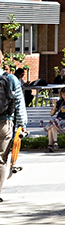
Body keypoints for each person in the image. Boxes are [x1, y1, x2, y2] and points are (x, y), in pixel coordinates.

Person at [0, 67, 26, 202]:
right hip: (5, 122)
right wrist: (22, 125)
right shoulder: (11, 79)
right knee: (1, 159)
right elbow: (19, 104)